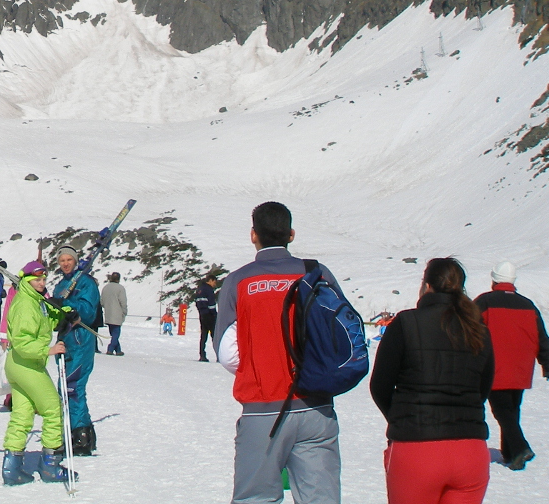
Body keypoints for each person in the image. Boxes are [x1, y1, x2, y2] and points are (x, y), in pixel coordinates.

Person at [214, 201, 346, 504]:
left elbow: (227, 353)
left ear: (253, 235)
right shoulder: (317, 273)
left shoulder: (239, 281)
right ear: (291, 234)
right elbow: (340, 333)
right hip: (316, 407)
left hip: (264, 410)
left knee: (255, 498)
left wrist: (260, 366)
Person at [370, 257, 495, 503]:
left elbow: (380, 386)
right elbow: (483, 388)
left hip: (417, 449)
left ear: (427, 286)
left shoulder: (406, 323)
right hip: (471, 450)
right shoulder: (479, 330)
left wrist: (402, 417)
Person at [1, 260, 74, 485]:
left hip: (18, 364)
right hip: (27, 365)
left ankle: (12, 469)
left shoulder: (35, 300)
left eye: (43, 279)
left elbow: (44, 322)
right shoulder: (26, 304)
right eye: (37, 280)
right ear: (27, 281)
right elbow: (22, 341)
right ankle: (51, 465)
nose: (42, 283)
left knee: (22, 415)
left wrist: (62, 313)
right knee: (53, 409)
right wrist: (48, 350)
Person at [475, 260, 549, 470]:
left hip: (494, 368)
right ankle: (510, 455)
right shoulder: (529, 305)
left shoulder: (484, 302)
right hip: (521, 370)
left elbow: (470, 331)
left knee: (502, 412)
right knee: (512, 410)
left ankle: (520, 448)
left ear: (494, 280)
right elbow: (542, 339)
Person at [51, 245, 100, 456]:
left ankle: (81, 437)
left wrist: (69, 306)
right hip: (66, 341)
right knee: (64, 387)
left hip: (81, 339)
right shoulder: (61, 285)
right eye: (62, 260)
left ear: (75, 260)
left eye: (69, 260)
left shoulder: (86, 283)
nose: (65, 264)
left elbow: (88, 311)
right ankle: (78, 431)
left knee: (74, 387)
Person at [101, 272, 127, 356]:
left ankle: (118, 350)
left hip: (108, 313)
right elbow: (123, 302)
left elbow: (102, 302)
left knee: (113, 334)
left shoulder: (105, 287)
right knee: (116, 334)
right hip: (117, 314)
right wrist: (124, 312)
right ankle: (110, 349)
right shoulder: (120, 288)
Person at [195, 272, 220, 362]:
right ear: (210, 280)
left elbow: (197, 303)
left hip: (202, 315)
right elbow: (211, 304)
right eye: (214, 282)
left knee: (204, 335)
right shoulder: (209, 290)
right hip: (210, 315)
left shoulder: (199, 289)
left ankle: (202, 355)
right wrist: (215, 315)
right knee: (215, 336)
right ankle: (219, 356)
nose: (214, 284)